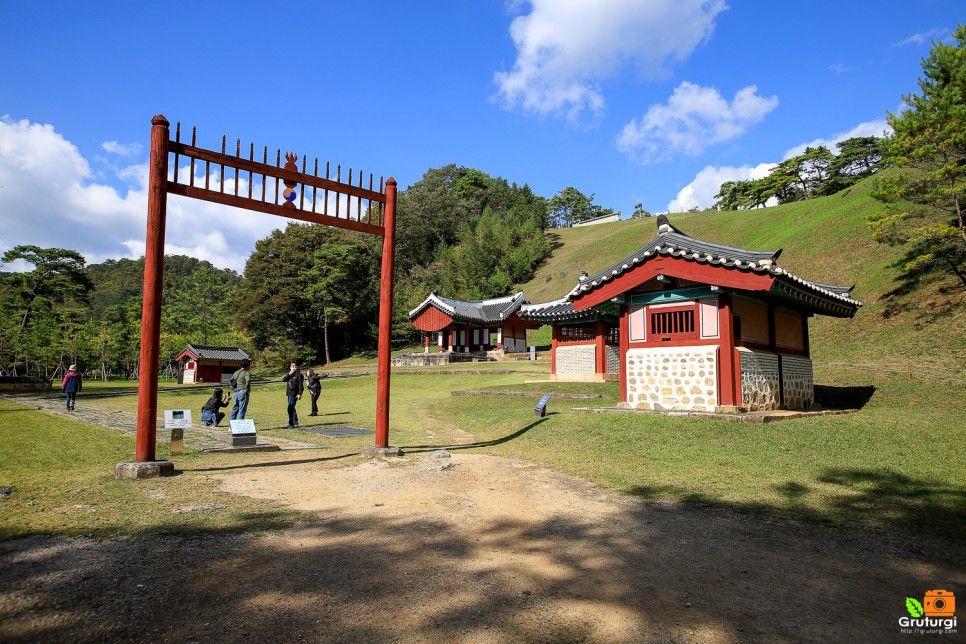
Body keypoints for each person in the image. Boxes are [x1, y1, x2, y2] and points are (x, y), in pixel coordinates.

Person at [282, 361, 304, 428]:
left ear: (297, 367)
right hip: (289, 393)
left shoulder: (299, 375)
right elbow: (284, 380)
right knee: (291, 408)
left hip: (294, 393)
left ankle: (293, 423)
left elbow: (301, 385)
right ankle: (294, 423)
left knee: (290, 408)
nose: (293, 367)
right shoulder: (290, 374)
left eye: (294, 366)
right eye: (292, 366)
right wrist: (289, 374)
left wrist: (299, 394)